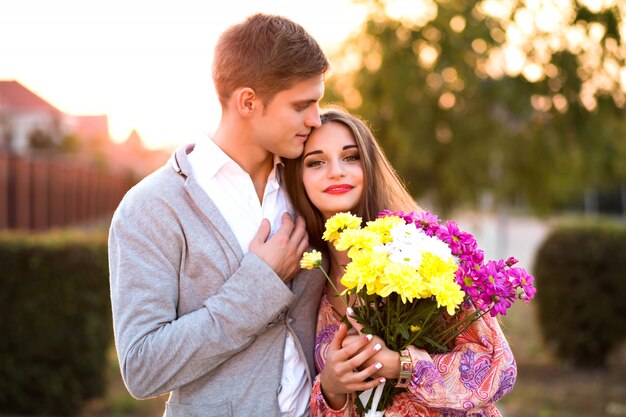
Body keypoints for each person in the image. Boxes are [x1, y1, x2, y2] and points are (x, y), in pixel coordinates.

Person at [108, 13, 329, 417]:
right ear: (248, 101)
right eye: (302, 105)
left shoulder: (310, 187)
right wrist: (259, 283)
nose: (315, 119)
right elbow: (142, 368)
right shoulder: (152, 207)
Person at [283, 107, 517, 416]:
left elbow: (498, 366)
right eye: (316, 162)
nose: (336, 171)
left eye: (351, 157)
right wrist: (331, 389)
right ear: (297, 178)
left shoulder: (418, 251)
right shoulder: (309, 280)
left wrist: (403, 365)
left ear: (369, 166)